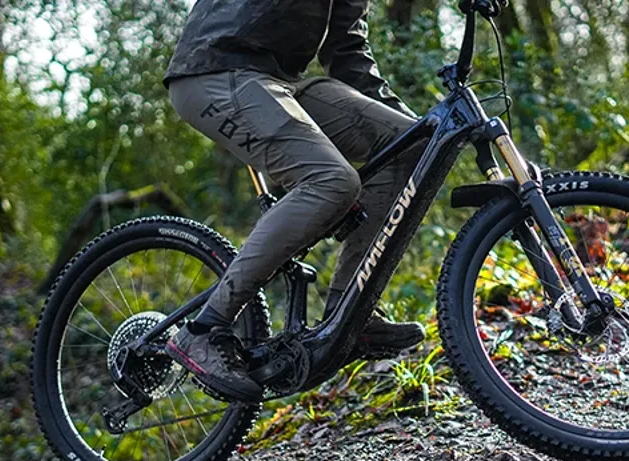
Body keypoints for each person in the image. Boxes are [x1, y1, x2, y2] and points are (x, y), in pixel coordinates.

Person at [162, 1, 429, 402]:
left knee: (415, 145)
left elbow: (347, 50)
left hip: (277, 81)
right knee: (333, 180)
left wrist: (428, 128)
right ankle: (202, 330)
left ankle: (351, 312)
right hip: (215, 68)